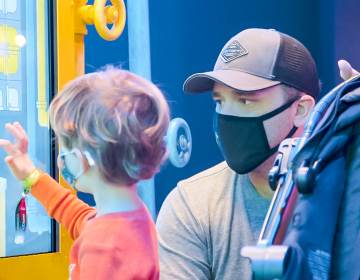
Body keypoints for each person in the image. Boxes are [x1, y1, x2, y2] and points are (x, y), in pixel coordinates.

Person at [156, 28, 320, 279]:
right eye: (220, 102)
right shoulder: (192, 205)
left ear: (300, 110)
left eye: (245, 101)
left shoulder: (345, 195)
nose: (227, 116)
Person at [0, 68, 170, 279]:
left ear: (80, 160)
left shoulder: (104, 249)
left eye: (63, 145)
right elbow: (80, 218)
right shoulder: (130, 217)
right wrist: (31, 175)